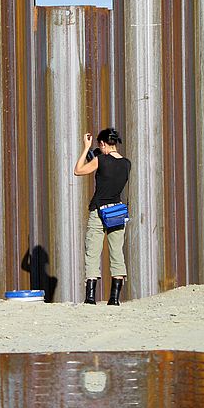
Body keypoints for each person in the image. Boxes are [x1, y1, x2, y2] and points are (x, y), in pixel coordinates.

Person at [73, 128, 131, 305]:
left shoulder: (100, 160)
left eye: (100, 145)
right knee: (117, 253)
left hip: (99, 210)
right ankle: (114, 299)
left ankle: (90, 298)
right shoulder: (127, 163)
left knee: (92, 252)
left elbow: (78, 170)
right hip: (117, 211)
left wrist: (85, 148)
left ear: (104, 143)